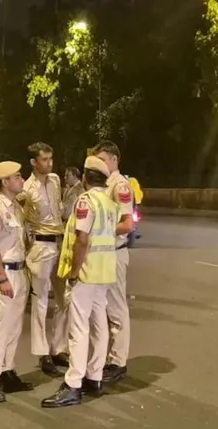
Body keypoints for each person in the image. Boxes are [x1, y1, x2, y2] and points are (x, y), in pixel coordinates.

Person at [42, 156, 118, 408]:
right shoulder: (109, 202)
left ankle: (73, 383)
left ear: (85, 176)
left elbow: (82, 239)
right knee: (99, 325)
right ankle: (94, 376)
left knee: (78, 328)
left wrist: (74, 271)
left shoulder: (86, 200)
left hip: (86, 273)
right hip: (105, 272)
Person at [0, 161, 33, 402]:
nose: (22, 180)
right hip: (5, 274)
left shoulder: (16, 208)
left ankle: (7, 371)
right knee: (1, 326)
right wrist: (2, 278)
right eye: (17, 176)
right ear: (5, 182)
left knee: (15, 326)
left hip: (20, 272)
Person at [18, 142, 69, 375]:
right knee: (40, 302)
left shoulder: (56, 180)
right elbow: (22, 222)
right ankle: (42, 352)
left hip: (59, 243)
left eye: (51, 158)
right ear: (33, 162)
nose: (49, 163)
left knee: (64, 299)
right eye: (45, 159)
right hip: (40, 245)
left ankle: (59, 347)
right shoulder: (26, 189)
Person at [91, 140, 136, 384]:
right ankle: (108, 358)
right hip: (103, 254)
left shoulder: (120, 186)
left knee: (116, 309)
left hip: (115, 252)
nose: (99, 165)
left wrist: (100, 232)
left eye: (102, 160)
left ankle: (118, 361)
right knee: (103, 309)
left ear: (114, 160)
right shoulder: (104, 185)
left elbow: (128, 224)